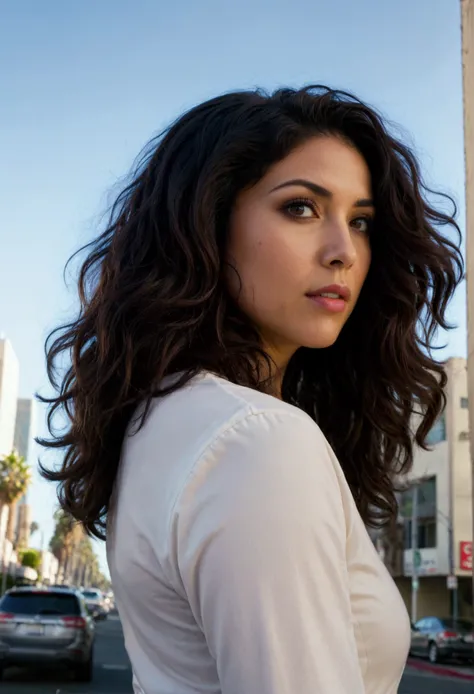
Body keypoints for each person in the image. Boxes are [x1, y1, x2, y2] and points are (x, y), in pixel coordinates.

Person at [39, 85, 463, 694]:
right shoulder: (257, 441)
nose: (344, 251)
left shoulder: (164, 422)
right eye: (300, 208)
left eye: (361, 221)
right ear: (208, 223)